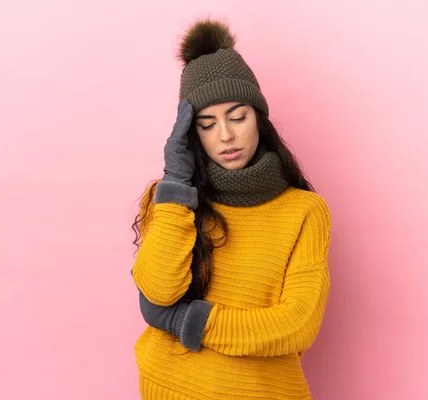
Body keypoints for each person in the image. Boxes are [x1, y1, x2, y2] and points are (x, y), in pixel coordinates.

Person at [131, 18, 332, 400]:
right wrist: (176, 180)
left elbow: (297, 324)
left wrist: (186, 320)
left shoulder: (305, 211)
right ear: (191, 134)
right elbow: (158, 291)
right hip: (170, 387)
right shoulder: (170, 198)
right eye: (207, 124)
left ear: (259, 117)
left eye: (237, 117)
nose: (226, 135)